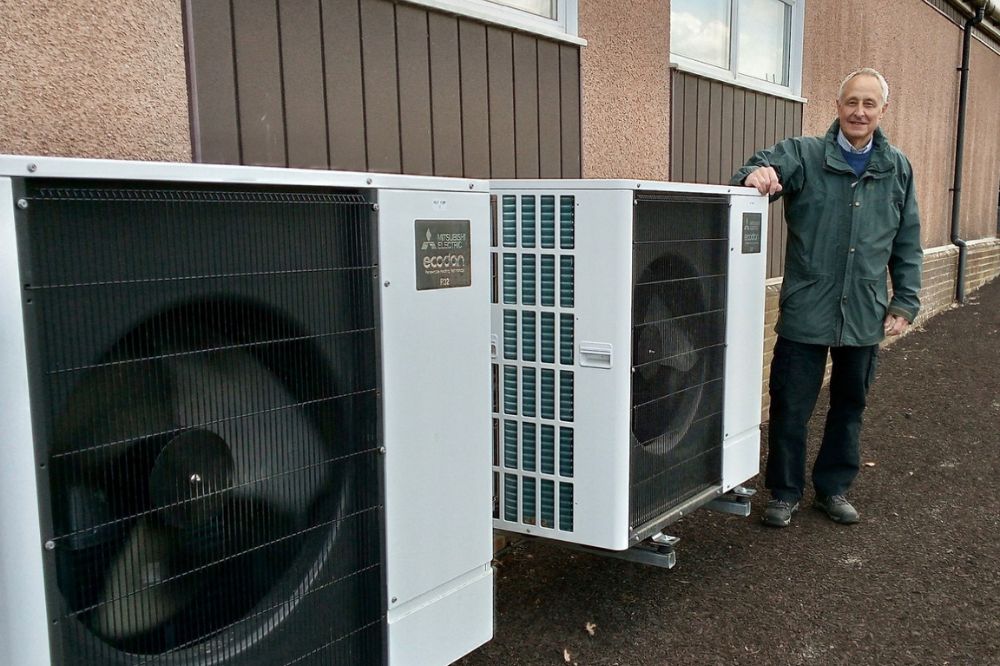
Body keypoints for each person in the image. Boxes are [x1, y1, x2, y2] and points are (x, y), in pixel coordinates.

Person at [731, 67, 922, 527]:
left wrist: (905, 301)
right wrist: (758, 175)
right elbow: (751, 173)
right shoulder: (804, 154)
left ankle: (833, 489)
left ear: (882, 111)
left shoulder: (897, 168)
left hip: (863, 308)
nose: (859, 111)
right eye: (851, 102)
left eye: (869, 104)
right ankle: (784, 492)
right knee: (791, 403)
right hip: (808, 305)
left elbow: (908, 240)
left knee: (849, 404)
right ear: (837, 107)